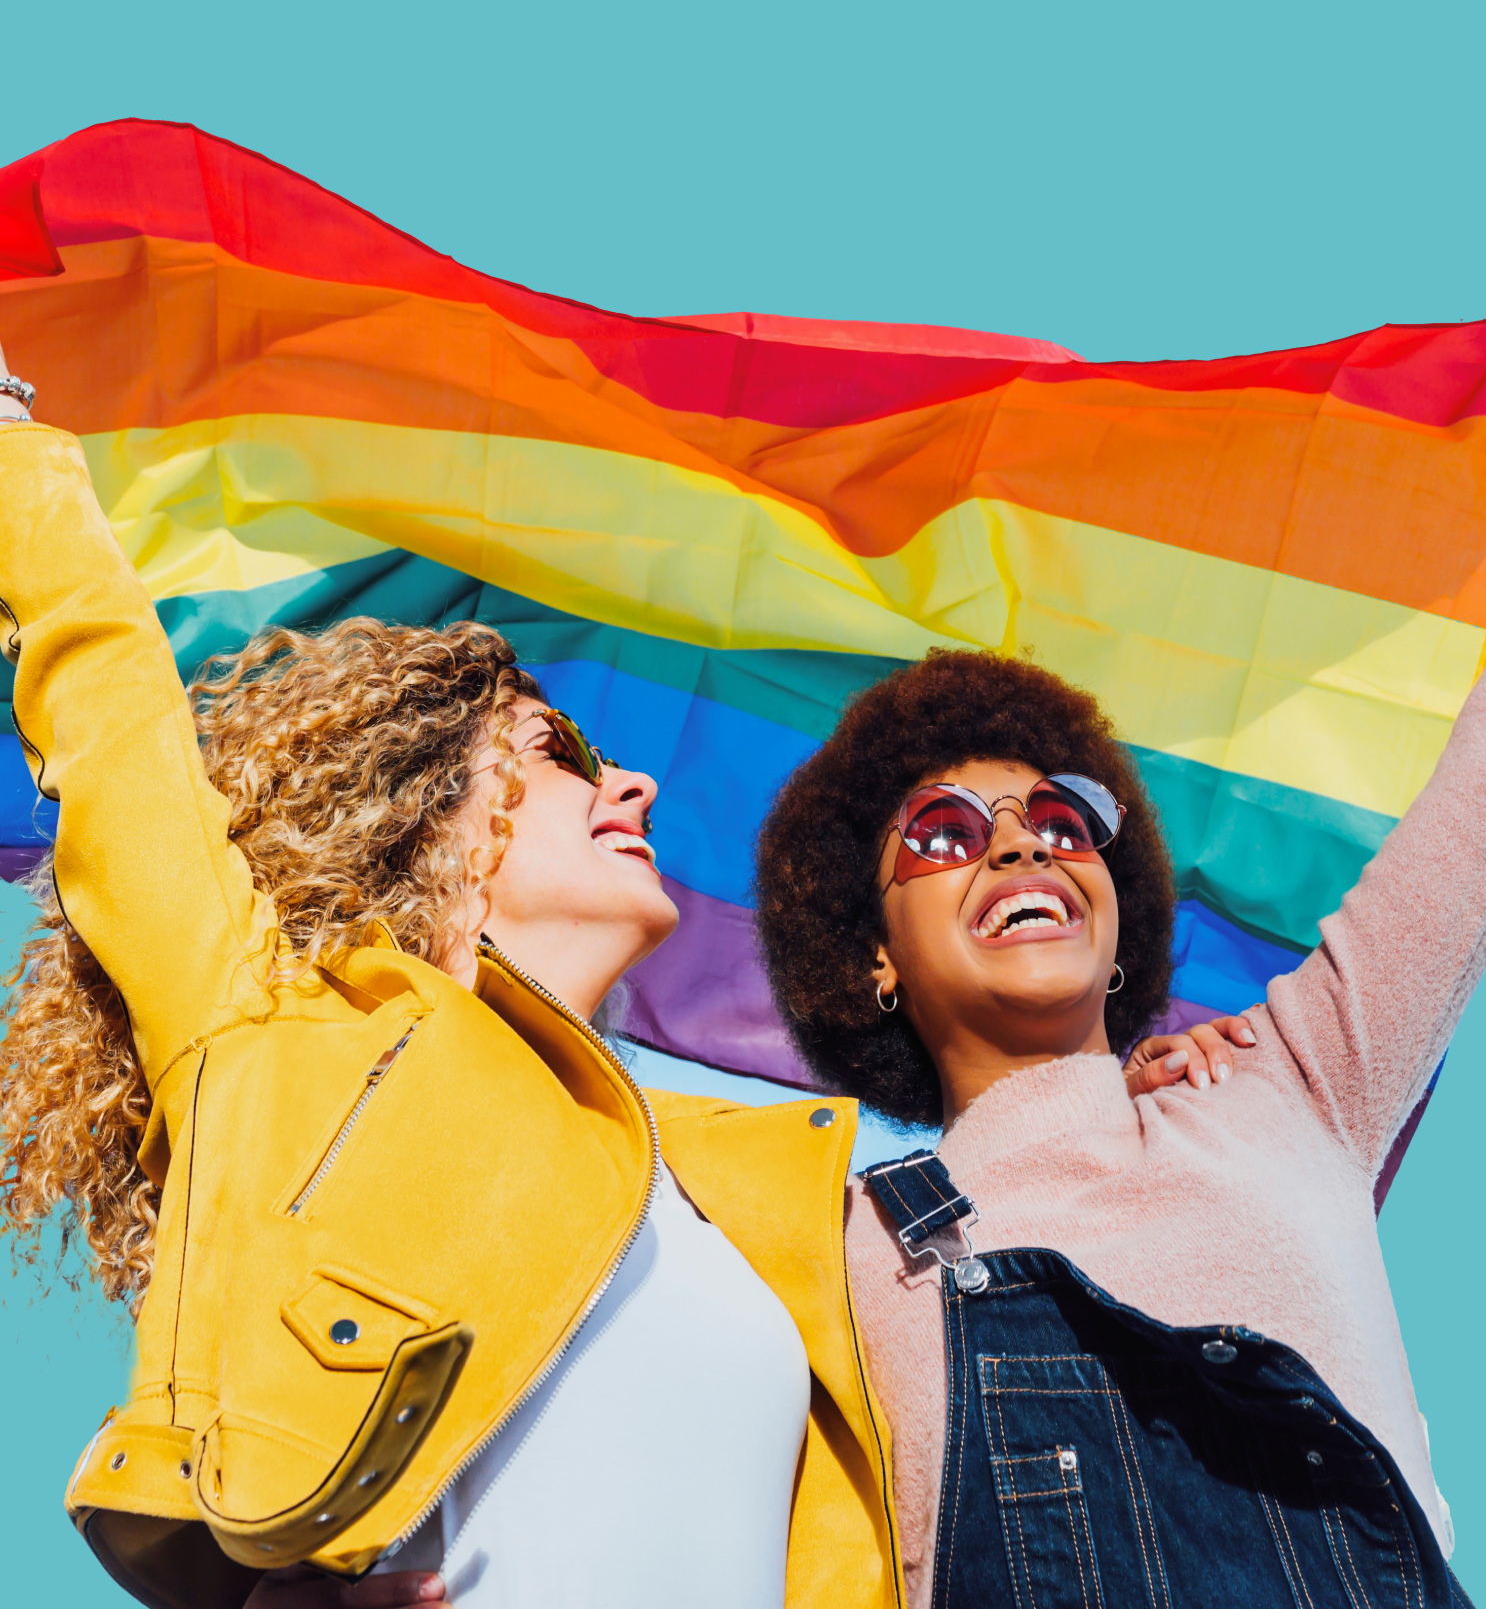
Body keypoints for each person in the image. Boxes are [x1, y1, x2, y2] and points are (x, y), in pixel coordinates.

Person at [753, 296, 1486, 1608]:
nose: (1020, 849)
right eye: (942, 834)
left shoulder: (1292, 1090)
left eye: (1058, 820)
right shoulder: (842, 1246)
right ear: (872, 959)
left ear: (1116, 934)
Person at [0, 344, 913, 1609]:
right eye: (559, 752)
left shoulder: (740, 1183)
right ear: (417, 806)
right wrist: (7, 441)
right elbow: (114, 722)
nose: (632, 786)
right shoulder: (277, 1033)